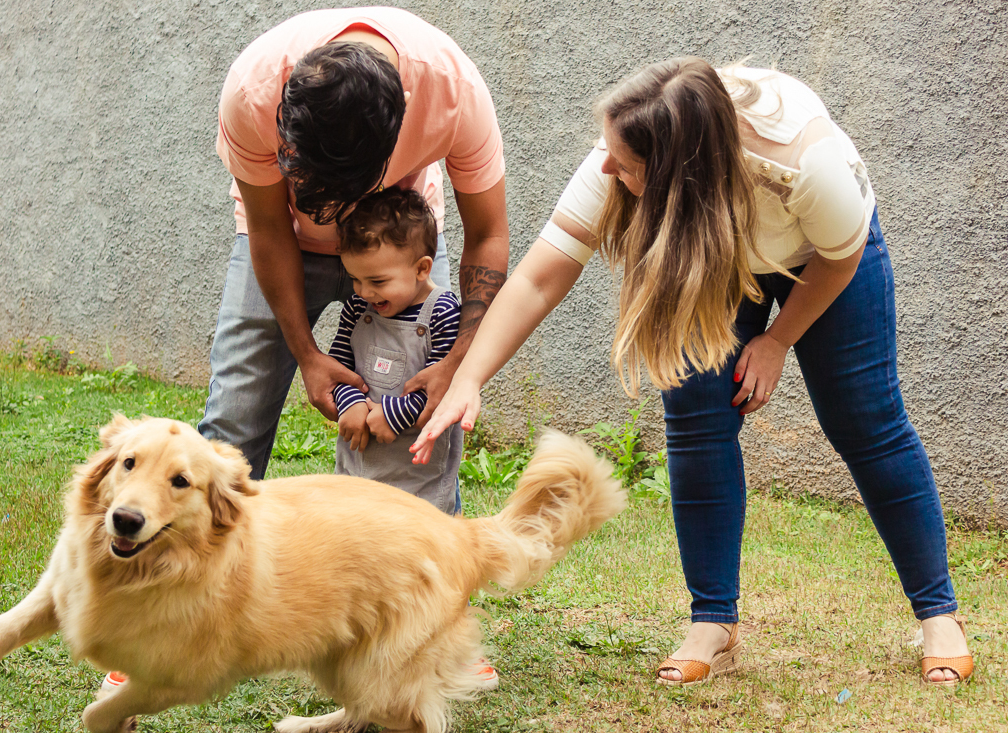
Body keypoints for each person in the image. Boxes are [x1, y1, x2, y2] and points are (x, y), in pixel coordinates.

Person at [411, 57, 973, 686]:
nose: (605, 167)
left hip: (823, 257)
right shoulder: (630, 139)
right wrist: (468, 377)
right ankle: (713, 620)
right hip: (710, 246)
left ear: (680, 170)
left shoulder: (807, 165)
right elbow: (542, 277)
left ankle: (939, 616)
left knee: (866, 421)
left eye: (623, 165)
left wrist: (778, 341)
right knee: (697, 421)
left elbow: (840, 260)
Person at [199, 6, 508, 482]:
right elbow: (268, 227)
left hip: (402, 251)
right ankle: (208, 553)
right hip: (282, 241)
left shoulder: (453, 91)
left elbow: (488, 235)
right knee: (235, 417)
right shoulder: (253, 92)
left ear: (401, 113)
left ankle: (438, 548)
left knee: (435, 414)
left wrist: (457, 362)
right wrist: (307, 355)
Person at [330, 187, 465, 516]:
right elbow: (339, 365)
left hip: (416, 467)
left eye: (377, 280)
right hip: (360, 456)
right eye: (355, 279)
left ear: (422, 269)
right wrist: (349, 403)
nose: (365, 292)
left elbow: (441, 384)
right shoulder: (357, 308)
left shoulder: (443, 312)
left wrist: (393, 414)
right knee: (353, 529)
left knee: (419, 535)